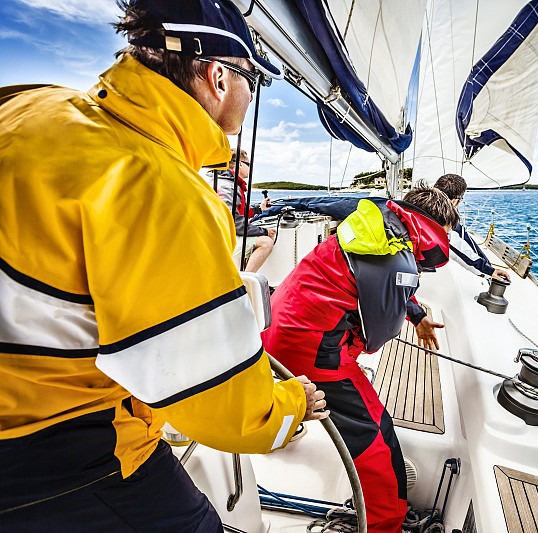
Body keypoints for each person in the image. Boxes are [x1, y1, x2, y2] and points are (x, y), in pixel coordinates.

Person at [0, 1, 327, 530]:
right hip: (49, 446)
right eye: (255, 81)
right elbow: (230, 415)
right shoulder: (161, 188)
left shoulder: (29, 106)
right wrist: (290, 407)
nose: (251, 97)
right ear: (219, 77)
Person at [261, 187, 458, 533]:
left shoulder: (375, 227)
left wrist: (414, 314)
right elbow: (375, 340)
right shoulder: (397, 259)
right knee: (376, 434)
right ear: (435, 228)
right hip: (311, 350)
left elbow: (370, 283)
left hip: (279, 328)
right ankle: (386, 524)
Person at [434, 174, 512, 283]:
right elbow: (456, 247)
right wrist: (489, 271)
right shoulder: (439, 222)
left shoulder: (411, 203)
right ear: (454, 202)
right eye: (460, 200)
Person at [208, 148, 276, 272]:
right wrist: (264, 231)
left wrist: (258, 209)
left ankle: (242, 275)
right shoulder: (227, 186)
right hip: (223, 240)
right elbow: (233, 221)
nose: (249, 168)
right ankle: (246, 281)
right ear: (240, 164)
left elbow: (237, 212)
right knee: (266, 242)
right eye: (248, 164)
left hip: (225, 235)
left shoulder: (230, 183)